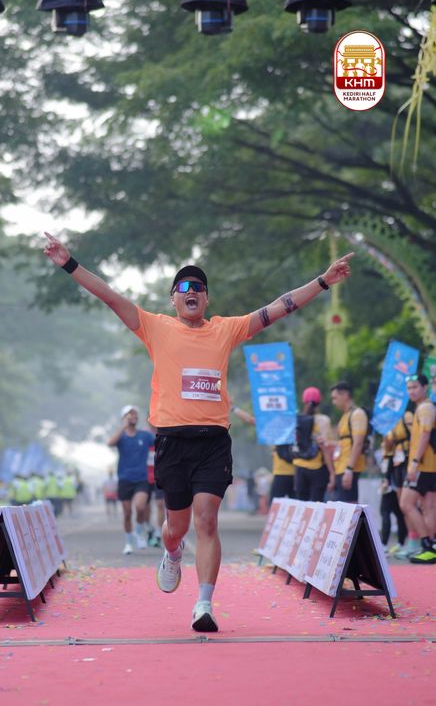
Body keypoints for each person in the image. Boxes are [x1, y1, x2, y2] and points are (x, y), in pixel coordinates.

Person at [44, 230, 353, 631]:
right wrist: (68, 262)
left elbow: (279, 307)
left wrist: (324, 280)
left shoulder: (226, 329)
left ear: (207, 299)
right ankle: (172, 552)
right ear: (173, 299)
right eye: (184, 287)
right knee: (177, 528)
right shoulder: (154, 326)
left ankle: (204, 604)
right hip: (172, 441)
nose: (192, 291)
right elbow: (110, 296)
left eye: (199, 288)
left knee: (207, 520)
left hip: (212, 442)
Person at [108, 405, 155, 555]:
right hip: (124, 479)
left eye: (135, 414)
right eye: (130, 414)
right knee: (127, 512)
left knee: (140, 507)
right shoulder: (121, 436)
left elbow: (160, 442)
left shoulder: (145, 436)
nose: (133, 416)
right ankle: (128, 543)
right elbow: (110, 443)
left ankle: (139, 532)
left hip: (141, 479)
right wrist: (124, 427)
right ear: (124, 417)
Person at [399, 374, 436, 564]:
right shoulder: (423, 407)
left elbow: (425, 435)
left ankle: (427, 544)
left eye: (415, 387)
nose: (411, 391)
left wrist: (414, 462)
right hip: (428, 465)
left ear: (424, 387)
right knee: (428, 506)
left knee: (406, 503)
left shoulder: (425, 408)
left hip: (423, 465)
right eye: (409, 388)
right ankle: (431, 547)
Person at [293, 387, 335, 503]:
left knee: (301, 505)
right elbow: (326, 448)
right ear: (319, 402)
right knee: (318, 505)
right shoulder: (323, 420)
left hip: (300, 467)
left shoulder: (296, 420)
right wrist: (332, 473)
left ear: (303, 401)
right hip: (318, 469)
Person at [329, 381, 368, 503]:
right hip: (341, 466)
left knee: (351, 506)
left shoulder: (357, 414)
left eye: (335, 398)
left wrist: (349, 469)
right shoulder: (345, 416)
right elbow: (345, 443)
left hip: (349, 467)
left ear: (345, 395)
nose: (333, 402)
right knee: (345, 506)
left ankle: (362, 517)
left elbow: (358, 443)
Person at [379, 412, 411, 555]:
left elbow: (390, 458)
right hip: (392, 477)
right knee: (399, 512)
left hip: (396, 477)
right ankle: (402, 542)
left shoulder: (403, 420)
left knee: (390, 511)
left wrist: (386, 478)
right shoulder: (389, 429)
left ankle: (388, 543)